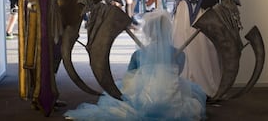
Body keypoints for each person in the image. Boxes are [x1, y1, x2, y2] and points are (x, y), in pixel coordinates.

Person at [64, 10, 207, 120]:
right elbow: (177, 73)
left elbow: (129, 75)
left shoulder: (139, 54)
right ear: (168, 31)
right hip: (171, 102)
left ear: (148, 33)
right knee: (192, 96)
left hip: (144, 102)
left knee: (123, 88)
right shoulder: (179, 54)